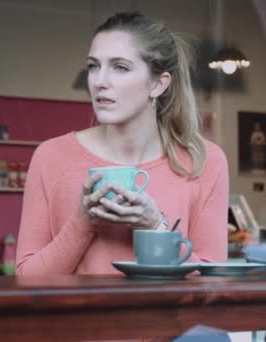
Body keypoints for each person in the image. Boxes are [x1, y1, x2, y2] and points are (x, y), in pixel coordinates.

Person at [16, 11, 229, 276]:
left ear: (158, 84)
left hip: (169, 319)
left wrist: (155, 227)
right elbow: (27, 279)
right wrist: (83, 221)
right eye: (94, 65)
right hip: (77, 319)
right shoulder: (51, 156)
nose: (99, 82)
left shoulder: (205, 161)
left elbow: (213, 282)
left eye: (120, 67)